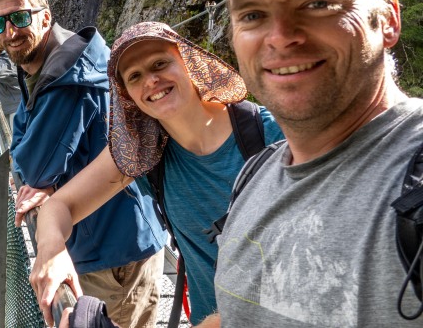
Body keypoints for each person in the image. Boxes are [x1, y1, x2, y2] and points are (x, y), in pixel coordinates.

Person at [195, 0, 423, 326]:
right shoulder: (254, 175)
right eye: (253, 14)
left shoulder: (414, 179)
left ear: (389, 17)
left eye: (318, 3)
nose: (281, 37)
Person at [29, 21, 284, 326]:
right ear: (128, 97)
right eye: (134, 76)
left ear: (189, 62)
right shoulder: (148, 153)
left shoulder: (271, 137)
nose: (150, 80)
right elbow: (60, 206)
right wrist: (52, 251)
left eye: (160, 63)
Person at [0, 0, 167, 328]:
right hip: (108, 238)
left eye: (19, 17)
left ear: (45, 17)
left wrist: (41, 177)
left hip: (113, 252)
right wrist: (32, 161)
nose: (9, 31)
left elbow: (31, 167)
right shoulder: (47, 64)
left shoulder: (69, 77)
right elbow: (21, 135)